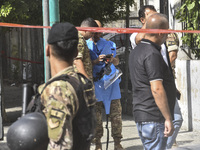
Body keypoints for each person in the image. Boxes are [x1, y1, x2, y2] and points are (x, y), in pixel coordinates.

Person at [130, 5, 183, 149]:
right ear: (160, 33)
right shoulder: (152, 54)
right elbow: (157, 88)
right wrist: (168, 118)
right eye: (166, 32)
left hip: (143, 114)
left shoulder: (137, 51)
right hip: (154, 116)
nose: (167, 36)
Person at [38, 22, 96, 150]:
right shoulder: (83, 82)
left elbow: (59, 145)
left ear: (47, 50)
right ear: (76, 52)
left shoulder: (58, 90)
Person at [87, 20, 124, 150]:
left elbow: (117, 61)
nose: (97, 33)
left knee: (116, 115)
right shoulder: (86, 45)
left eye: (99, 30)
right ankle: (98, 144)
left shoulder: (109, 44)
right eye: (94, 31)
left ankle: (117, 142)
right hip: (95, 86)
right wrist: (96, 61)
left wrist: (112, 60)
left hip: (111, 84)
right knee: (96, 117)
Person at [166, 33, 183, 149]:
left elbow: (172, 56)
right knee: (176, 119)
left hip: (163, 82)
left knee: (175, 118)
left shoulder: (168, 34)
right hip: (162, 83)